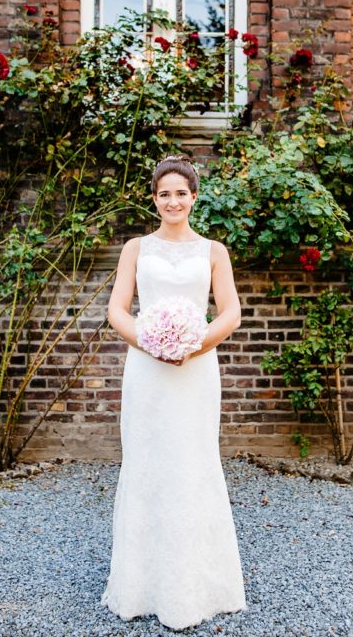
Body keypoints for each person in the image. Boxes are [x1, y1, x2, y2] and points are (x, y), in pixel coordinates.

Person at [101, 153, 247, 631]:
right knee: (148, 464)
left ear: (194, 198)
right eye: (164, 193)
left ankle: (198, 589)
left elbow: (229, 313)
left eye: (181, 193)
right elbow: (117, 310)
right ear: (154, 199)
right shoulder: (135, 248)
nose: (173, 201)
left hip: (196, 369)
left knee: (192, 464)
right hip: (146, 371)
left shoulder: (213, 251)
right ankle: (142, 588)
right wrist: (151, 341)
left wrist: (190, 344)